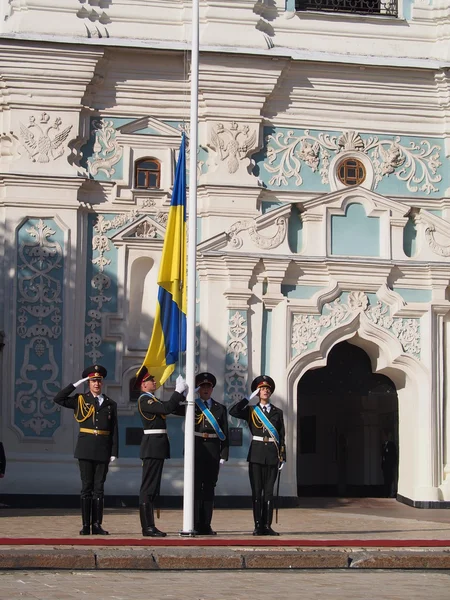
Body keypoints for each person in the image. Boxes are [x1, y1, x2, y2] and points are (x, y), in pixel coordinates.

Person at [53, 365, 118, 535]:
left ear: (102, 383)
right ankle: (85, 525)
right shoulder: (80, 399)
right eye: (93, 381)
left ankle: (97, 524)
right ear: (88, 383)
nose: (96, 384)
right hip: (86, 448)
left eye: (99, 381)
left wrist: (114, 451)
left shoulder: (110, 404)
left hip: (103, 449)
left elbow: (114, 430)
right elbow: (58, 399)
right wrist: (75, 385)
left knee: (99, 488)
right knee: (86, 487)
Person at [229, 375, 285, 536]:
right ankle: (258, 525)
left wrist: (283, 456)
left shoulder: (277, 412)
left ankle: (267, 525)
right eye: (261, 389)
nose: (265, 391)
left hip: (273, 454)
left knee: (268, 492)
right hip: (256, 454)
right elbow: (233, 411)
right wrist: (247, 399)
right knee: (257, 492)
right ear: (257, 393)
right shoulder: (251, 410)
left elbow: (282, 435)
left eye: (267, 389)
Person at [136, 368, 187, 537]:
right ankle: (147, 527)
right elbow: (166, 408)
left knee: (153, 487)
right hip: (152, 447)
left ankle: (150, 525)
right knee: (148, 488)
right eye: (151, 380)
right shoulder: (145, 400)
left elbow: (173, 408)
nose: (155, 382)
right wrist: (177, 391)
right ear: (144, 384)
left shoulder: (153, 399)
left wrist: (187, 397)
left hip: (157, 447)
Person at [184, 372, 229, 535]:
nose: (205, 390)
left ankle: (206, 524)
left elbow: (225, 433)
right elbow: (174, 409)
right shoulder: (191, 405)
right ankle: (194, 523)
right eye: (202, 386)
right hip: (195, 449)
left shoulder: (220, 408)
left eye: (208, 387)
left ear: (212, 389)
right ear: (198, 388)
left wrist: (223, 454)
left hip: (212, 450)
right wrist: (186, 393)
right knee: (195, 488)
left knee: (209, 488)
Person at [381, 431, 398, 498]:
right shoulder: (383, 445)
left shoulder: (391, 445)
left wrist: (392, 464)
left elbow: (393, 456)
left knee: (390, 480)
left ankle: (390, 493)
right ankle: (386, 493)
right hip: (385, 466)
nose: (382, 437)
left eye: (384, 436)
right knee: (386, 480)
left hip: (390, 466)